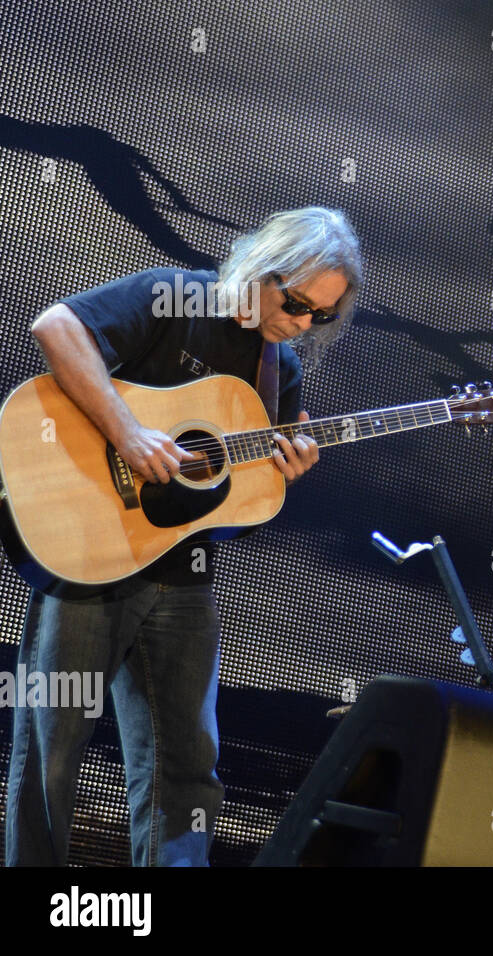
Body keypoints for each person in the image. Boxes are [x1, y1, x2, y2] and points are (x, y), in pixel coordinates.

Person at [5, 206, 363, 865]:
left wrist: (288, 470)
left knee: (188, 769)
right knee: (51, 752)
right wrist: (129, 432)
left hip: (182, 574)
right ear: (263, 267)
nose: (304, 323)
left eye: (321, 315)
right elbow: (56, 327)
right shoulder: (175, 297)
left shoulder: (280, 369)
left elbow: (242, 493)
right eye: (297, 303)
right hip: (87, 549)